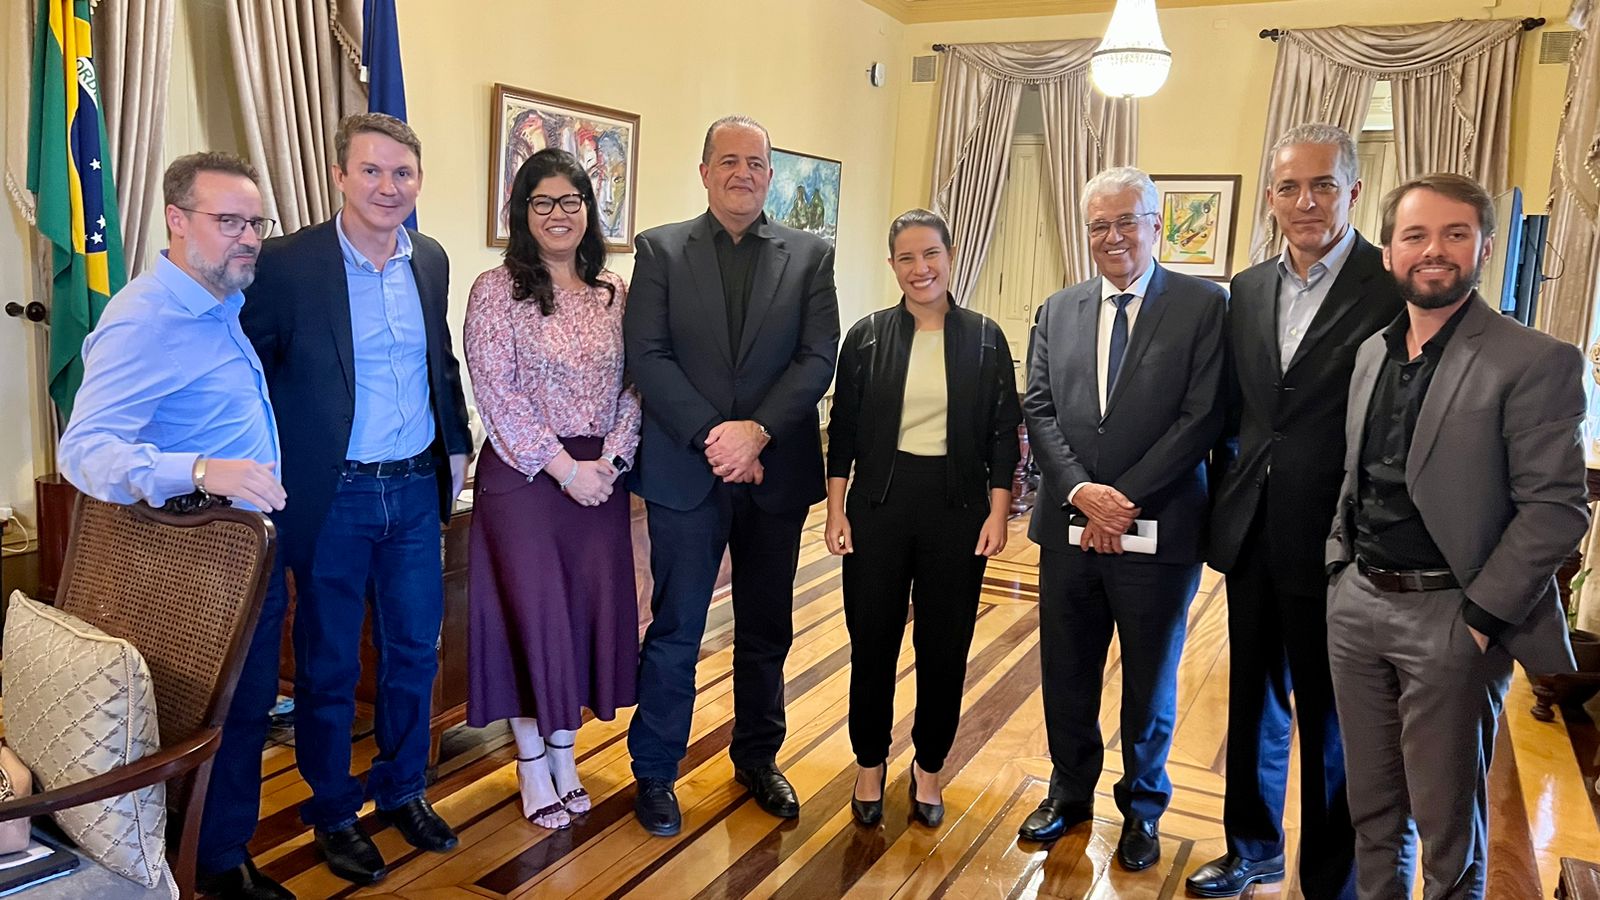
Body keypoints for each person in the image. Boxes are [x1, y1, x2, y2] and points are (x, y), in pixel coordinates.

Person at [1325, 173, 1586, 900]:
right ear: (1388, 252)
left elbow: (1556, 510)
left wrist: (1479, 620)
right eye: (1415, 235)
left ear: (1485, 248)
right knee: (1371, 807)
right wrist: (1338, 569)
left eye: (1454, 234)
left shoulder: (1534, 360)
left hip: (1452, 615)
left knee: (1446, 824)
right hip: (1357, 605)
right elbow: (1357, 475)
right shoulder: (1372, 353)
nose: (1433, 250)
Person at [241, 112, 472, 886]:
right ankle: (334, 809)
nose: (387, 186)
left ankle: (403, 789)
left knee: (414, 652)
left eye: (402, 172)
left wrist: (457, 444)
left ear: (418, 181)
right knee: (330, 664)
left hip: (412, 492)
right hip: (331, 496)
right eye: (371, 170)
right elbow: (248, 373)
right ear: (339, 175)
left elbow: (440, 360)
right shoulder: (287, 264)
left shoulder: (429, 259)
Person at [58, 152, 293, 900]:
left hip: (244, 554)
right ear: (176, 220)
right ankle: (204, 869)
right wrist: (197, 469)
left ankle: (220, 854)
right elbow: (83, 452)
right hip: (193, 567)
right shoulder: (147, 318)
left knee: (245, 713)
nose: (247, 237)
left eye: (255, 222)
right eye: (228, 221)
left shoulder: (218, 303)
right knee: (205, 722)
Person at [1188, 124, 1403, 900]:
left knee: (1333, 717)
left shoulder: (1391, 286)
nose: (1305, 202)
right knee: (1251, 699)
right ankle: (1251, 849)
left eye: (1322, 185)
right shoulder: (1246, 289)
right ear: (1271, 197)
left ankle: (1330, 879)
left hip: (1342, 539)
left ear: (1353, 191)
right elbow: (1234, 413)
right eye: (1289, 187)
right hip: (1252, 530)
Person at [622, 114, 839, 836]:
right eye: (728, 161)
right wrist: (715, 436)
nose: (742, 172)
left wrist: (758, 431)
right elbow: (648, 354)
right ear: (705, 172)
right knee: (676, 627)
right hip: (686, 471)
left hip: (775, 473)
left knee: (766, 627)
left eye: (755, 162)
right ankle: (656, 770)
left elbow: (818, 356)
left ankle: (757, 757)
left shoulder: (810, 255)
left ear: (770, 176)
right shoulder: (660, 250)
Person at [1019, 166, 1226, 872]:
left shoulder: (1203, 306)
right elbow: (1040, 407)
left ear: (1155, 225)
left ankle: (1143, 808)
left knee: (1150, 680)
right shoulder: (1058, 309)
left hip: (1161, 529)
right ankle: (1068, 792)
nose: (1113, 236)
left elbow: (1202, 415)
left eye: (1126, 221)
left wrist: (1124, 498)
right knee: (1067, 669)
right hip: (1069, 529)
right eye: (1099, 225)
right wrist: (1083, 492)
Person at [462, 148, 641, 830]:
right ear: (523, 212)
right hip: (527, 478)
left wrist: (612, 460)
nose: (559, 213)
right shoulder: (494, 290)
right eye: (543, 202)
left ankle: (567, 755)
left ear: (589, 210)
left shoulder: (614, 291)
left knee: (580, 619)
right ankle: (532, 763)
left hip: (601, 480)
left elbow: (636, 385)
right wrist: (566, 469)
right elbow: (496, 393)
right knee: (532, 620)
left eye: (572, 200)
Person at [825, 209, 1020, 829]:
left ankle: (930, 765)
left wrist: (998, 513)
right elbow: (843, 431)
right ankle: (869, 763)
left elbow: (1003, 435)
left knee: (944, 647)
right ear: (892, 265)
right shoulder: (867, 337)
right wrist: (835, 510)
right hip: (878, 506)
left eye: (930, 254)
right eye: (906, 258)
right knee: (872, 641)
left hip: (956, 509)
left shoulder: (985, 337)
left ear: (950, 255)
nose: (920, 269)